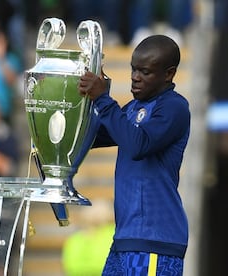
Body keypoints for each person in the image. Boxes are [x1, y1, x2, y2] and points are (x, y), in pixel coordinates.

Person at [77, 35, 190, 274]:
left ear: (168, 74)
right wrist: (77, 105)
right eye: (133, 69)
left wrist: (103, 100)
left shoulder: (174, 107)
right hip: (125, 238)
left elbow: (139, 145)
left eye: (145, 72)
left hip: (154, 240)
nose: (135, 77)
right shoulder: (133, 108)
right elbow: (89, 138)